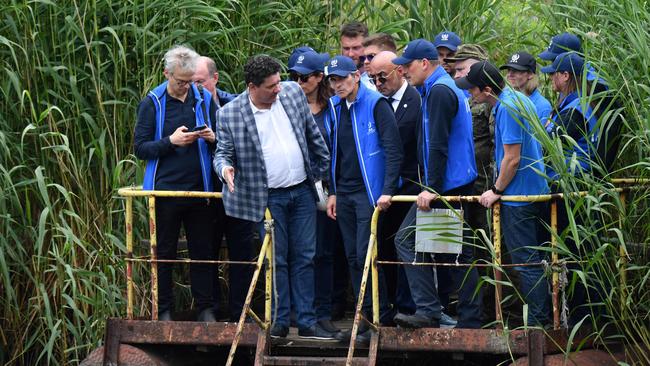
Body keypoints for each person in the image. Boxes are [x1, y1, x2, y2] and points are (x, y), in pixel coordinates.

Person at [213, 54, 334, 339]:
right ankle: (279, 322)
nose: (278, 89)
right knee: (276, 260)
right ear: (252, 87)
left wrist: (321, 171)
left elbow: (312, 135)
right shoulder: (230, 114)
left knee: (306, 256)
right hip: (268, 197)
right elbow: (222, 153)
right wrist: (225, 169)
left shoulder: (291, 93)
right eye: (271, 86)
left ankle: (306, 322)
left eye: (279, 82)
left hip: (303, 190)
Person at [391, 39, 481, 329]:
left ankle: (433, 311)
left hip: (449, 186)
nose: (403, 71)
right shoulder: (437, 88)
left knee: (407, 240)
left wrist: (432, 188)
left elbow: (438, 145)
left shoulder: (440, 92)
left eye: (407, 65)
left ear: (424, 64)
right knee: (454, 252)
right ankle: (464, 316)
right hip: (453, 183)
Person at [456, 60, 551, 326]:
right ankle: (541, 318)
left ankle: (537, 323)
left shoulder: (507, 107)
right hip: (534, 190)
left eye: (473, 91)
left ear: (487, 90)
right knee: (536, 260)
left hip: (520, 196)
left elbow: (512, 159)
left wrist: (495, 190)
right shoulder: (517, 99)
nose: (472, 96)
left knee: (526, 263)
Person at [134, 45, 218, 322]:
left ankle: (206, 308)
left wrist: (211, 138)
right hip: (165, 191)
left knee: (202, 252)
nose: (185, 87)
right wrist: (171, 142)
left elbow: (223, 139)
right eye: (180, 81)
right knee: (165, 253)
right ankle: (165, 310)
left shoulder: (203, 98)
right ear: (166, 73)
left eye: (190, 81)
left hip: (200, 190)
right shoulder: (153, 102)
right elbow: (141, 147)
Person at [323, 55, 403, 342]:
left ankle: (377, 318)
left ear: (356, 76)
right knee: (353, 257)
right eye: (332, 80)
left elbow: (393, 149)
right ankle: (364, 320)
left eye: (342, 78)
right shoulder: (334, 108)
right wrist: (332, 191)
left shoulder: (375, 104)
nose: (337, 85)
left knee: (367, 254)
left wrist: (388, 189)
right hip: (344, 193)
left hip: (369, 192)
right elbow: (334, 154)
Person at [192, 55, 254, 321]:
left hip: (236, 191)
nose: (195, 88)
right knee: (205, 252)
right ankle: (211, 308)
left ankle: (242, 309)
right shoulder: (187, 107)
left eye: (200, 82)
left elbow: (250, 146)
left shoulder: (236, 104)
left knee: (243, 252)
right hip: (204, 194)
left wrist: (216, 140)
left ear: (214, 78)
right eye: (190, 82)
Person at [287, 50, 342, 334]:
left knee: (324, 252)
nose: (298, 82)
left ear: (319, 77)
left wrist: (334, 188)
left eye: (304, 77)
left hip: (325, 190)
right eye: (292, 76)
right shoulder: (287, 107)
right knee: (298, 253)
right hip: (296, 188)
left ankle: (323, 310)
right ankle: (298, 310)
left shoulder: (333, 109)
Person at [443, 44, 495, 322]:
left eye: (464, 68)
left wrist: (496, 187)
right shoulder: (456, 95)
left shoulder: (486, 101)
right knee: (460, 250)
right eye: (456, 69)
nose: (458, 73)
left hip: (484, 187)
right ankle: (467, 308)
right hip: (462, 187)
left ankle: (489, 309)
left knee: (485, 248)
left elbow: (496, 145)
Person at [368, 51, 420, 317]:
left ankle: (409, 306)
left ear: (400, 71)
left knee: (409, 247)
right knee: (384, 248)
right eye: (372, 78)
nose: (378, 83)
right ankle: (385, 306)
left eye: (382, 76)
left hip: (411, 185)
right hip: (383, 188)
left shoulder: (417, 99)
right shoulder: (374, 102)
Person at [500, 51, 552, 126]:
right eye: (509, 70)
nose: (510, 75)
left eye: (516, 70)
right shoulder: (505, 98)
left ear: (530, 74)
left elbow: (537, 137)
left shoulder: (542, 106)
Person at [340, 22, 376, 90]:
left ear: (367, 47)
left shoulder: (379, 78)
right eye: (346, 48)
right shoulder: (330, 77)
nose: (350, 54)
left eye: (356, 48)